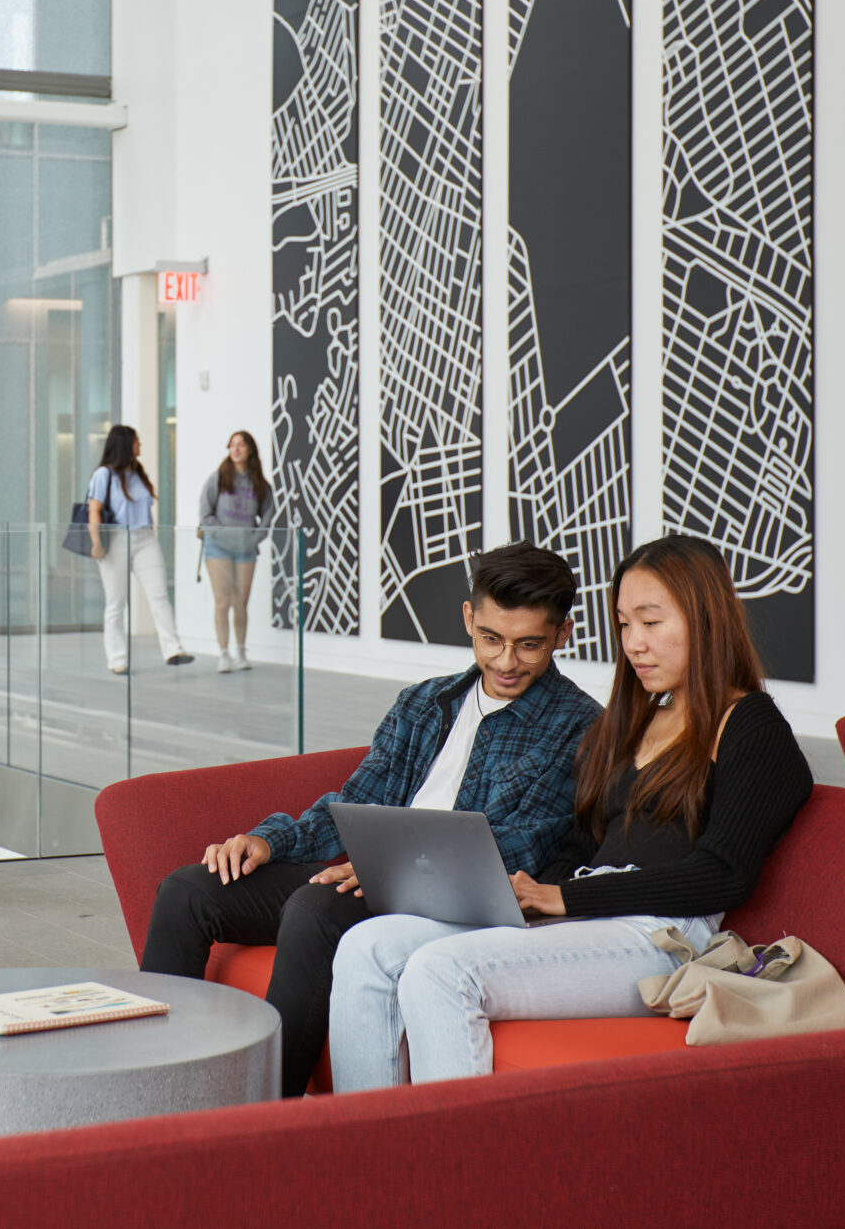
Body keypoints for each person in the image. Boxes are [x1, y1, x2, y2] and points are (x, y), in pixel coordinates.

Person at [329, 534, 813, 1089]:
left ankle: (457, 1171)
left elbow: (724, 874)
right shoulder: (636, 721)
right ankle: (359, 1156)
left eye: (651, 622)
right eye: (624, 625)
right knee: (368, 947)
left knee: (442, 972)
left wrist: (564, 897)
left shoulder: (751, 725)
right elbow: (586, 847)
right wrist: (524, 893)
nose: (634, 644)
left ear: (706, 619)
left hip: (662, 937)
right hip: (590, 916)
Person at [139, 544, 601, 1096]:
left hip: (456, 900)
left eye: (530, 645)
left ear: (564, 635)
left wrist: (397, 874)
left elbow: (525, 845)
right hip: (375, 876)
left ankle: (258, 1120)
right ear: (468, 619)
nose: (506, 662)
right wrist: (270, 839)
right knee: (189, 890)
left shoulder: (581, 728)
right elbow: (357, 798)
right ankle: (153, 1095)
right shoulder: (426, 703)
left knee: (314, 907)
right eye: (491, 639)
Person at [86, 424, 195, 674]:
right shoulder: (104, 475)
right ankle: (117, 659)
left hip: (145, 537)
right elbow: (94, 510)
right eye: (137, 441)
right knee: (116, 602)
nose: (140, 445)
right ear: (125, 444)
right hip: (115, 539)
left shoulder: (137, 472)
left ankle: (173, 649)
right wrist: (96, 544)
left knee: (159, 595)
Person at [194, 430, 274, 673]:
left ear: (250, 449)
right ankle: (224, 653)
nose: (236, 449)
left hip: (245, 550)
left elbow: (269, 514)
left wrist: (254, 538)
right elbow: (205, 513)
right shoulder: (217, 478)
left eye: (241, 445)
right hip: (217, 547)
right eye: (232, 445)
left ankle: (240, 651)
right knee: (222, 601)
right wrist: (220, 534)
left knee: (241, 602)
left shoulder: (260, 483)